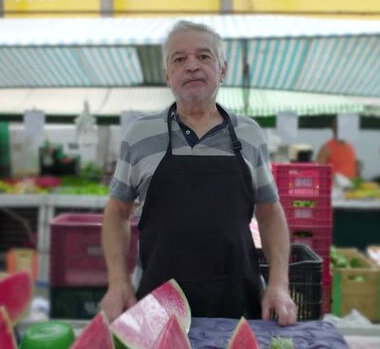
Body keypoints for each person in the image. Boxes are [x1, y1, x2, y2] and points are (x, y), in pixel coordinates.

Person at [100, 20, 297, 326]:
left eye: (204, 57)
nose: (191, 66)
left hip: (237, 298)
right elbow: (116, 211)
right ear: (167, 75)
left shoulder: (250, 134)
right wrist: (118, 283)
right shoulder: (139, 135)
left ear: (222, 70)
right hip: (157, 299)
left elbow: (270, 212)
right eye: (179, 59)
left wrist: (279, 285)